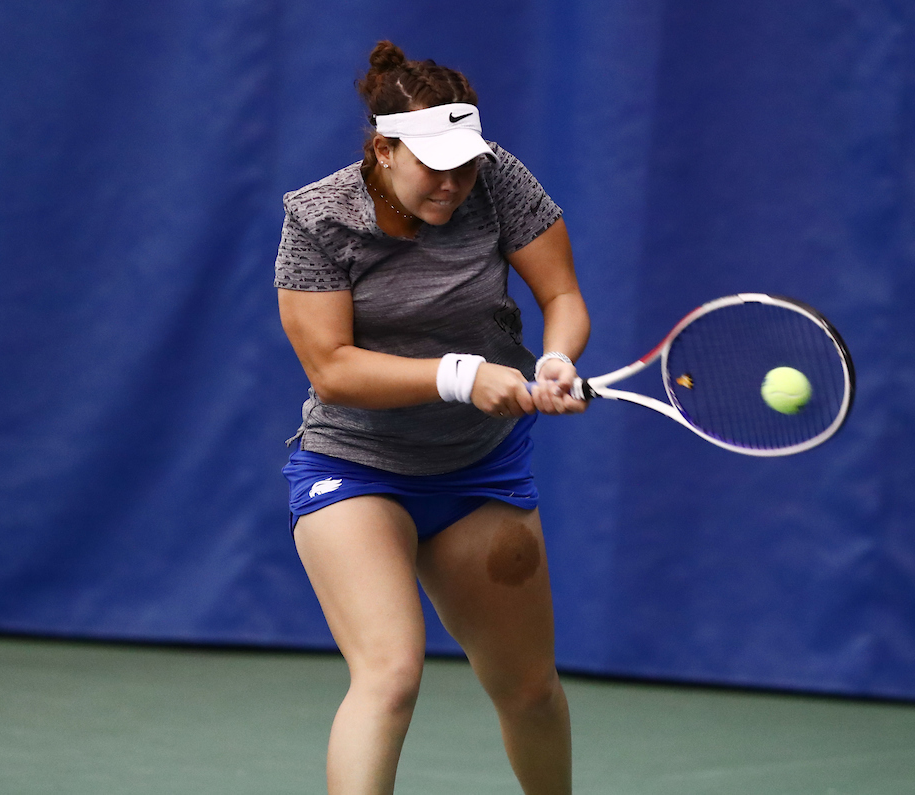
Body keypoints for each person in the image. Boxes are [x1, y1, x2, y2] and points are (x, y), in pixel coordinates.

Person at [274, 40, 589, 795]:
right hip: (353, 468)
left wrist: (556, 358)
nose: (452, 184)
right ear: (384, 150)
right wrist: (459, 375)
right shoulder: (316, 217)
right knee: (389, 674)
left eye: (464, 166)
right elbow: (332, 369)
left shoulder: (498, 179)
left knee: (530, 690)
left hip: (478, 470)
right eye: (431, 166)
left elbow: (562, 297)